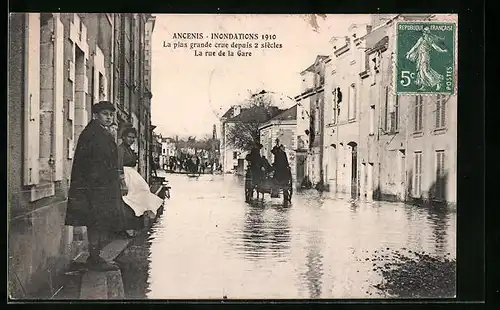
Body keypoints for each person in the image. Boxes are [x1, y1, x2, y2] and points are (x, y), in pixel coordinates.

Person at [65, 101, 127, 271]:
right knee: (96, 222)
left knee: (98, 222)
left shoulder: (100, 132)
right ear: (95, 115)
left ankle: (96, 257)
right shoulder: (92, 133)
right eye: (105, 114)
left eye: (111, 114)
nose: (109, 117)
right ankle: (95, 259)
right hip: (95, 187)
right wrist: (101, 183)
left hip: (100, 186)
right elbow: (91, 163)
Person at [119, 127, 164, 232]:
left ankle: (139, 219)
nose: (131, 139)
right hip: (125, 176)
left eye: (133, 138)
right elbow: (118, 165)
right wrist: (123, 183)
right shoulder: (120, 149)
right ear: (123, 137)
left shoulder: (128, 149)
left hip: (132, 175)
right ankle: (128, 227)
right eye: (129, 137)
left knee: (141, 194)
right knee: (130, 200)